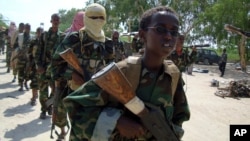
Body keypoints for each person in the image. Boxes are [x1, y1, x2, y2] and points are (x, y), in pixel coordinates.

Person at [63, 6, 190, 141]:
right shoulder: (122, 72)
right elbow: (76, 110)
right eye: (160, 29)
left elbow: (179, 117)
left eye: (174, 31)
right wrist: (115, 121)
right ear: (142, 35)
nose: (168, 36)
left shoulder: (173, 76)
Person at [51, 3, 112, 140]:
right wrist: (71, 74)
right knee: (79, 133)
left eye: (101, 17)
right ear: (86, 19)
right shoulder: (74, 39)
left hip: (100, 96)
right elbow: (55, 66)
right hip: (77, 95)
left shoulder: (108, 44)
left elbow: (113, 69)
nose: (98, 21)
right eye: (93, 17)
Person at [35, 13, 65, 120]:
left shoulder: (62, 37)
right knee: (43, 91)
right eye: (54, 20)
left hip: (55, 69)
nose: (56, 22)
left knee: (55, 91)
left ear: (59, 22)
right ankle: (43, 110)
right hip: (44, 67)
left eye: (57, 20)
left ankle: (49, 106)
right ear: (51, 21)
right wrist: (38, 65)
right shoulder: (45, 35)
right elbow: (38, 51)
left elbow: (64, 54)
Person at [27, 27, 43, 106]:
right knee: (34, 81)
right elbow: (29, 53)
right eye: (39, 32)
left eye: (41, 32)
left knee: (41, 82)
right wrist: (30, 64)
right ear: (37, 33)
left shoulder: (45, 41)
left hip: (43, 65)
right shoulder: (33, 41)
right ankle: (33, 98)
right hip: (34, 65)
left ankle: (36, 94)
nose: (40, 33)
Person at [16, 23, 32, 91]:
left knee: (28, 72)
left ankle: (26, 83)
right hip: (21, 57)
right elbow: (15, 45)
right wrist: (18, 51)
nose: (28, 29)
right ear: (24, 28)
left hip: (28, 57)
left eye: (29, 27)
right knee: (20, 71)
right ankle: (21, 85)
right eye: (27, 27)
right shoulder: (20, 36)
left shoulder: (32, 37)